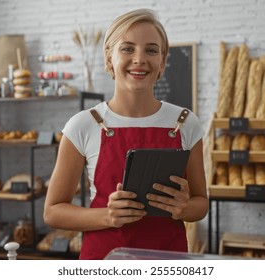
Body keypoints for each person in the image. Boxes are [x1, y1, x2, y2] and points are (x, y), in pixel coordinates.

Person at [43, 8, 208, 260]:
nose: (139, 59)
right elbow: (52, 212)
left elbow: (201, 204)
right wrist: (107, 216)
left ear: (162, 61)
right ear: (109, 58)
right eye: (127, 48)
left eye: (151, 50)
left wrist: (184, 208)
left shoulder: (186, 123)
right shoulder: (83, 125)